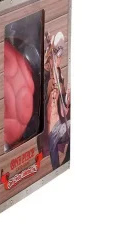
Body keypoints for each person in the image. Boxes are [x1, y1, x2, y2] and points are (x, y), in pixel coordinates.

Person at [39, 31, 71, 169]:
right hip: (51, 130)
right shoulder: (47, 76)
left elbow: (64, 110)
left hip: (59, 126)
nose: (59, 59)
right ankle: (58, 167)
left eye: (60, 56)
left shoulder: (59, 76)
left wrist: (67, 98)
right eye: (57, 56)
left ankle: (68, 160)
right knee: (54, 161)